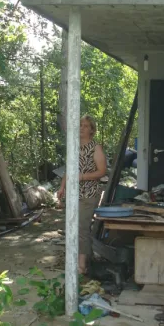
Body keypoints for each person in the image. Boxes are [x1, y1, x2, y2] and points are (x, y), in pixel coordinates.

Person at [57, 115, 107, 275]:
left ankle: (82, 266)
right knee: (72, 227)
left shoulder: (95, 148)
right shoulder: (74, 146)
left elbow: (102, 171)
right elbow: (69, 170)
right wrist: (62, 187)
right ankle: (83, 258)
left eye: (85, 126)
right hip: (73, 194)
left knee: (82, 228)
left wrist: (83, 176)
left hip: (89, 193)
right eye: (80, 125)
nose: (81, 128)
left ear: (92, 130)